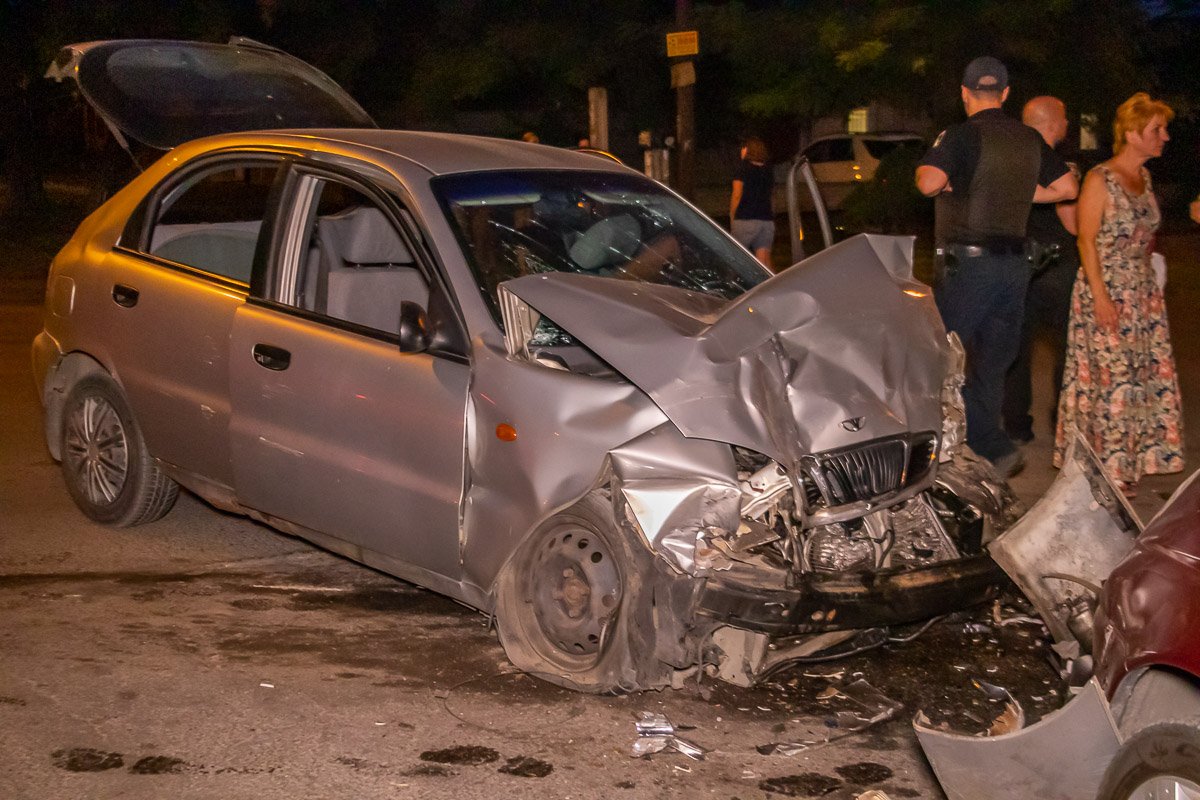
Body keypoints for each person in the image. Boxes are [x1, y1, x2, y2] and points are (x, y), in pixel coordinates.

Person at [915, 56, 1078, 478]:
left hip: (969, 267)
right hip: (1015, 270)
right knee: (992, 362)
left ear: (965, 94)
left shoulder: (962, 135)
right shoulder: (1027, 138)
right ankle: (991, 450)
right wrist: (1018, 194)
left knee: (942, 356)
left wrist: (955, 182)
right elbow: (1066, 187)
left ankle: (942, 449)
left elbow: (929, 182)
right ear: (1005, 94)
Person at [1053, 92, 1184, 497]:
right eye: (1156, 130)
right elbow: (1086, 241)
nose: (1164, 137)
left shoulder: (1143, 179)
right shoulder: (1100, 179)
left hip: (1142, 293)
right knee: (1110, 381)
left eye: (1164, 129)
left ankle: (1129, 463)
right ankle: (1106, 470)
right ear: (1131, 133)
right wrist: (1102, 297)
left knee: (1140, 379)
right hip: (1105, 288)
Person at [1003, 96, 1079, 444]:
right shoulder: (1058, 167)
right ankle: (1062, 421)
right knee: (1068, 345)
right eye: (1064, 118)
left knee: (1018, 348)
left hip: (1018, 263)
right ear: (1052, 123)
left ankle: (1017, 424)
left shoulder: (1011, 162)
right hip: (1057, 265)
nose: (1067, 125)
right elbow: (1072, 222)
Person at [729, 137, 774, 267]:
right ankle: (773, 286)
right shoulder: (768, 171)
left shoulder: (742, 169)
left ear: (747, 150)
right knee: (763, 263)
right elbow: (771, 196)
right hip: (766, 221)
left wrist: (732, 215)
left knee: (736, 259)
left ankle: (732, 286)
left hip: (745, 219)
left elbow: (737, 194)